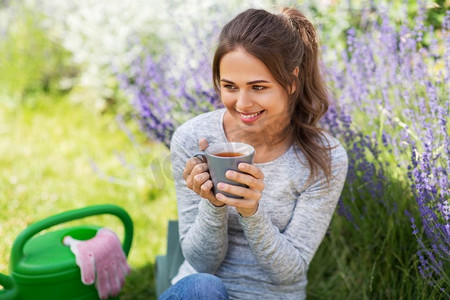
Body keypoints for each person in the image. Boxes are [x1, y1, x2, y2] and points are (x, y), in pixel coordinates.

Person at [161, 6, 348, 300]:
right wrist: (213, 204)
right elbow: (201, 263)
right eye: (229, 87)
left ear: (292, 80)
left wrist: (252, 212)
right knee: (203, 287)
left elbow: (289, 272)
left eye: (258, 87)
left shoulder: (325, 158)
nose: (242, 103)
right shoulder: (194, 139)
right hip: (201, 293)